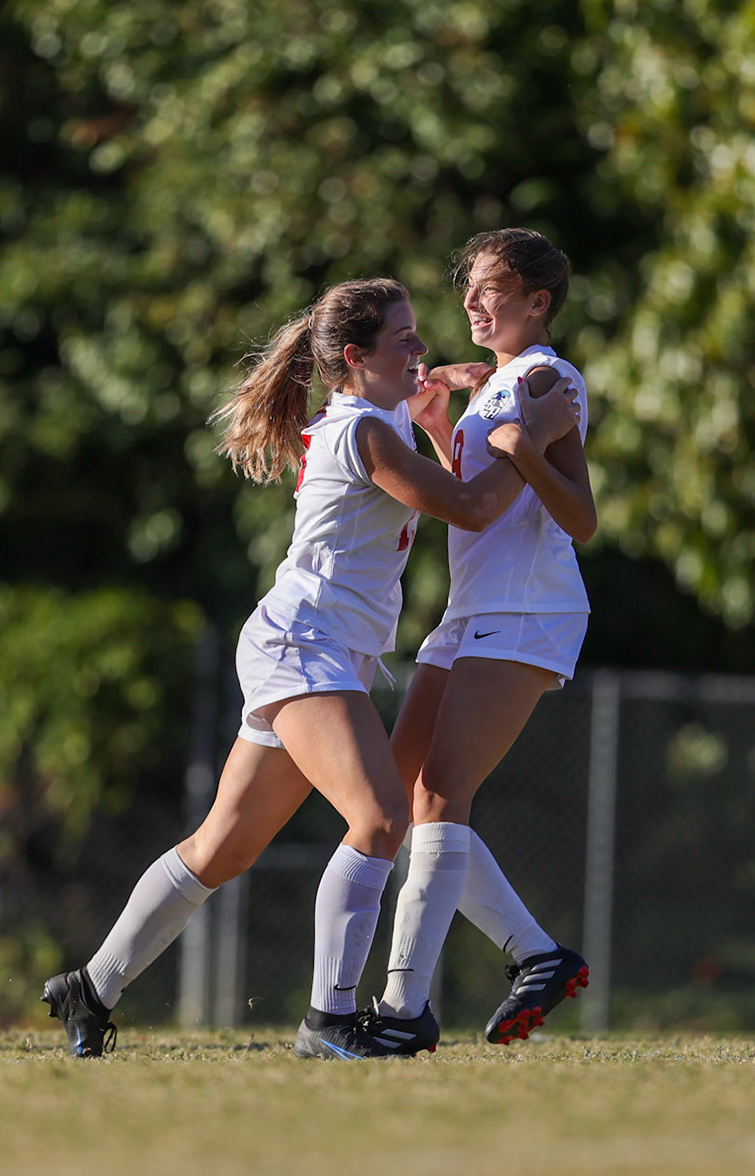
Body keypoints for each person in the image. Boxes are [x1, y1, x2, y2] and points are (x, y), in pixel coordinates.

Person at [40, 276, 579, 1059]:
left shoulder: (377, 412)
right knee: (383, 818)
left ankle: (89, 988)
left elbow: (446, 383)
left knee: (224, 845)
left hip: (311, 644)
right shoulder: (363, 432)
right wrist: (528, 433)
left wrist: (474, 382)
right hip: (305, 644)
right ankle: (328, 1020)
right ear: (356, 358)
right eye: (405, 338)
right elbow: (468, 507)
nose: (422, 350)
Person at [371, 229, 597, 1049]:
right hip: (473, 606)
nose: (471, 301)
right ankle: (537, 956)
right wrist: (441, 427)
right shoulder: (495, 385)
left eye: (490, 288)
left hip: (530, 606)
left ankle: (401, 1013)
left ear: (537, 302)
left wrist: (527, 449)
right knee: (389, 805)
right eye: (467, 285)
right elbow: (477, 496)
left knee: (438, 796)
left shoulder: (546, 377)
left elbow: (581, 516)